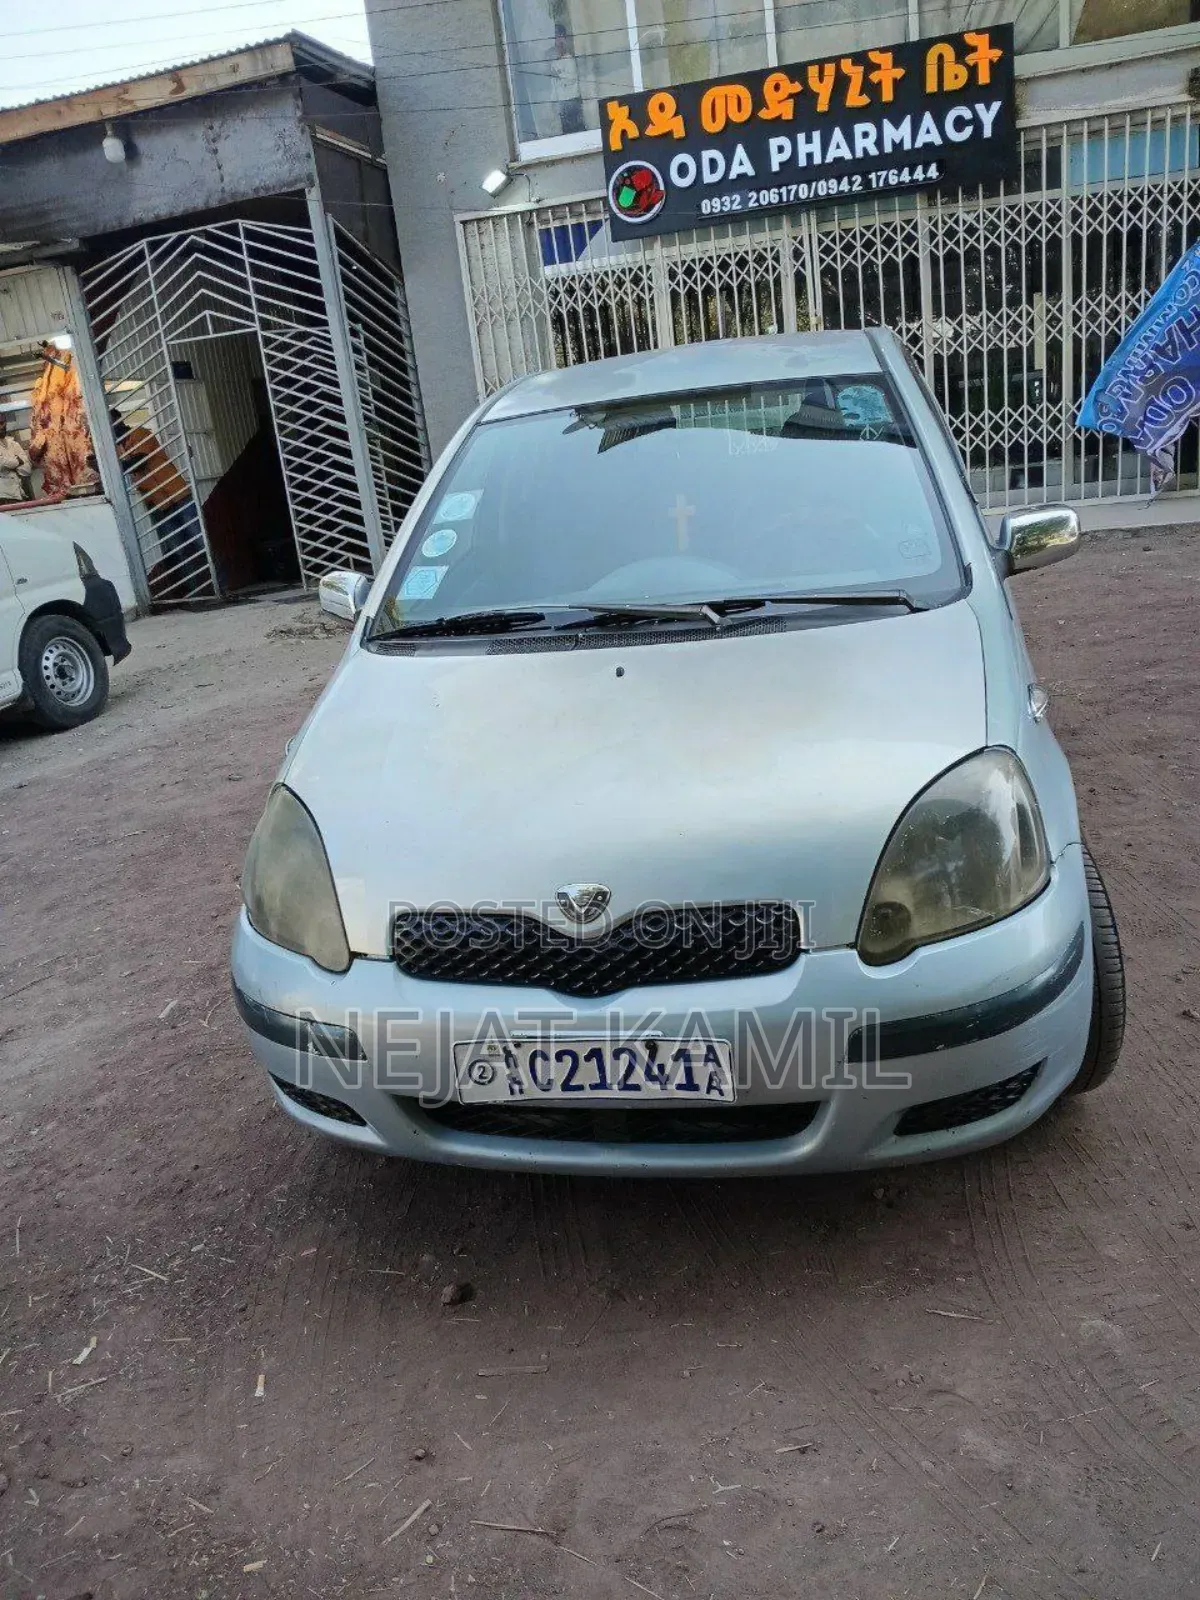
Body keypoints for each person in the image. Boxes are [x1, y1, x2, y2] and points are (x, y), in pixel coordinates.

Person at [110, 411, 204, 588]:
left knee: (199, 539)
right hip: (157, 502)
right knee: (178, 548)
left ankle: (221, 586)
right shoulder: (115, 448)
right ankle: (195, 591)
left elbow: (139, 461)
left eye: (111, 422)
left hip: (177, 493)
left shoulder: (141, 434)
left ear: (119, 420)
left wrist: (108, 464)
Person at [0, 413, 33, 504]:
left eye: (2, 423)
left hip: (18, 493)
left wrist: (13, 466)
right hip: (2, 495)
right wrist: (18, 461)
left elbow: (27, 469)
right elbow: (2, 463)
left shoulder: (14, 444)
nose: (1, 427)